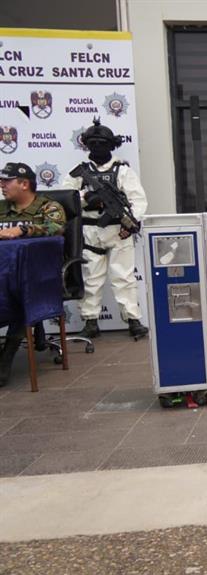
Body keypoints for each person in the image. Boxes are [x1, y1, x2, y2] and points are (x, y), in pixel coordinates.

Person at [62, 118, 148, 339]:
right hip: (90, 231)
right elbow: (64, 199)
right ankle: (90, 321)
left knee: (124, 278)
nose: (98, 147)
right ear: (87, 145)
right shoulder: (78, 172)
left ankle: (133, 319)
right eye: (93, 143)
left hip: (119, 231)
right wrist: (86, 198)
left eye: (102, 143)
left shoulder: (122, 171)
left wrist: (132, 222)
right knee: (91, 277)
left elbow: (138, 201)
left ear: (112, 145)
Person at [0, 162, 66, 386]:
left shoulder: (48, 207)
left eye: (7, 181)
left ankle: (6, 357)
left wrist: (24, 229)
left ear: (24, 183)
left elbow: (57, 228)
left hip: (40, 279)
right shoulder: (2, 208)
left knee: (20, 297)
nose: (2, 185)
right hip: (4, 277)